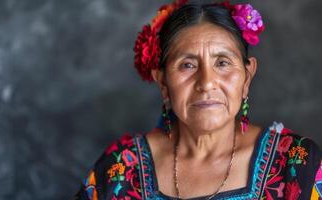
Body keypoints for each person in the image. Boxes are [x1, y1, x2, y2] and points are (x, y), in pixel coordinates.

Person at [75, 1, 322, 199]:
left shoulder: (295, 162)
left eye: (222, 63)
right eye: (188, 65)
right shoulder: (121, 169)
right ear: (163, 83)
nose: (206, 83)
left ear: (246, 78)